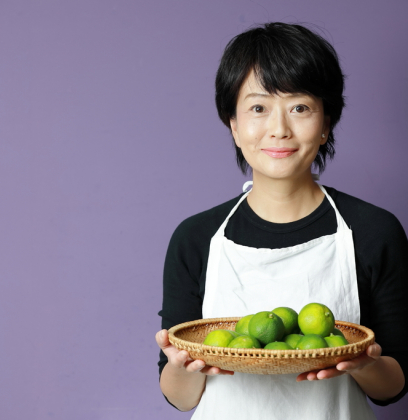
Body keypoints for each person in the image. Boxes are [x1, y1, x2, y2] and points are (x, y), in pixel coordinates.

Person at [155, 22, 408, 419]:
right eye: (258, 108)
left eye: (300, 108)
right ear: (234, 126)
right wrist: (179, 364)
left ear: (325, 124)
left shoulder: (375, 231)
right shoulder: (196, 237)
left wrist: (363, 363)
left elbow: (393, 387)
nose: (278, 129)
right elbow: (181, 397)